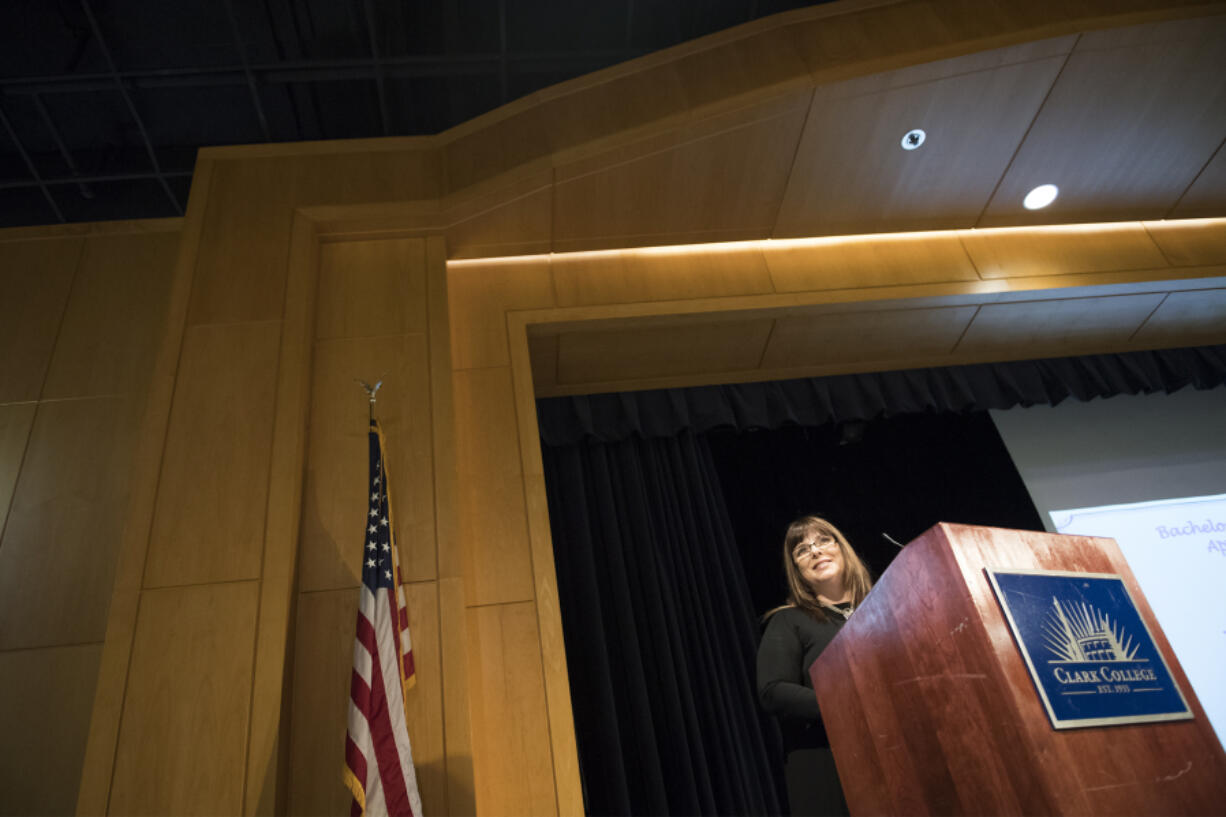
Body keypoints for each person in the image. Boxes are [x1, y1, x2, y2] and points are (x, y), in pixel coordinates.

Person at [757, 515, 874, 816]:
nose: (815, 551)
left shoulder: (887, 609)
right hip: (826, 764)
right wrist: (846, 704)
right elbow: (773, 691)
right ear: (797, 570)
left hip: (896, 752)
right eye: (802, 550)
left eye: (823, 540)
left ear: (841, 547)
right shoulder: (789, 620)